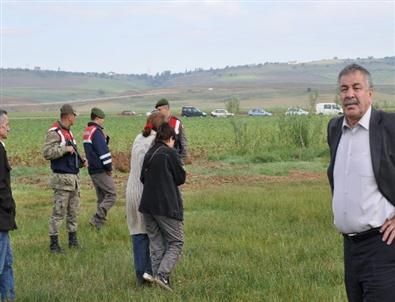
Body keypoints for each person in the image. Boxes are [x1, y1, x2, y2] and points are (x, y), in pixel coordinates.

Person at [327, 64, 395, 301]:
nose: (349, 94)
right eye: (344, 89)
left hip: (383, 247)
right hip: (350, 249)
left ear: (370, 93)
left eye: (357, 87)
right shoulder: (335, 128)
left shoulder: (389, 126)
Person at [138, 123, 186, 291]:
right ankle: (162, 275)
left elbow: (142, 178)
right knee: (176, 242)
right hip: (165, 205)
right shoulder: (170, 153)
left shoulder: (149, 153)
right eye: (174, 139)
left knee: (156, 243)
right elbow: (181, 178)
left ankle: (157, 281)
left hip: (147, 206)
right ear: (170, 138)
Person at [125, 111, 165, 287]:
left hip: (131, 192)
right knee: (152, 236)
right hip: (145, 193)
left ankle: (140, 277)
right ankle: (150, 275)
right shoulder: (156, 143)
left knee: (138, 234)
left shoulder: (139, 137)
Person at [43, 104, 87, 253]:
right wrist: (64, 149)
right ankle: (53, 244)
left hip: (73, 179)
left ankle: (72, 240)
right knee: (59, 212)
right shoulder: (54, 132)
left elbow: (71, 155)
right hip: (62, 180)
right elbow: (47, 152)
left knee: (73, 211)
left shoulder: (68, 132)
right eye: (74, 115)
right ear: (69, 116)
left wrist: (81, 162)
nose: (75, 118)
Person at [83, 107, 116, 230]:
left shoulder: (88, 130)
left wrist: (105, 139)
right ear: (97, 118)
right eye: (102, 119)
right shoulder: (96, 132)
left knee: (101, 197)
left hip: (92, 168)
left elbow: (93, 149)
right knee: (112, 194)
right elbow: (103, 152)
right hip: (100, 169)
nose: (103, 121)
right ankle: (96, 218)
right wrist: (108, 168)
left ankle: (98, 226)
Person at [0, 109, 16, 301]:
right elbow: (1, 184)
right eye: (6, 125)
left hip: (3, 217)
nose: (9, 129)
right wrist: (8, 207)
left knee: (7, 263)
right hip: (1, 217)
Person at [154, 98, 188, 163]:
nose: (157, 112)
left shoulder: (177, 122)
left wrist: (182, 159)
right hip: (160, 158)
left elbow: (183, 141)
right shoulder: (157, 122)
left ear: (166, 109)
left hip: (174, 158)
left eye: (159, 110)